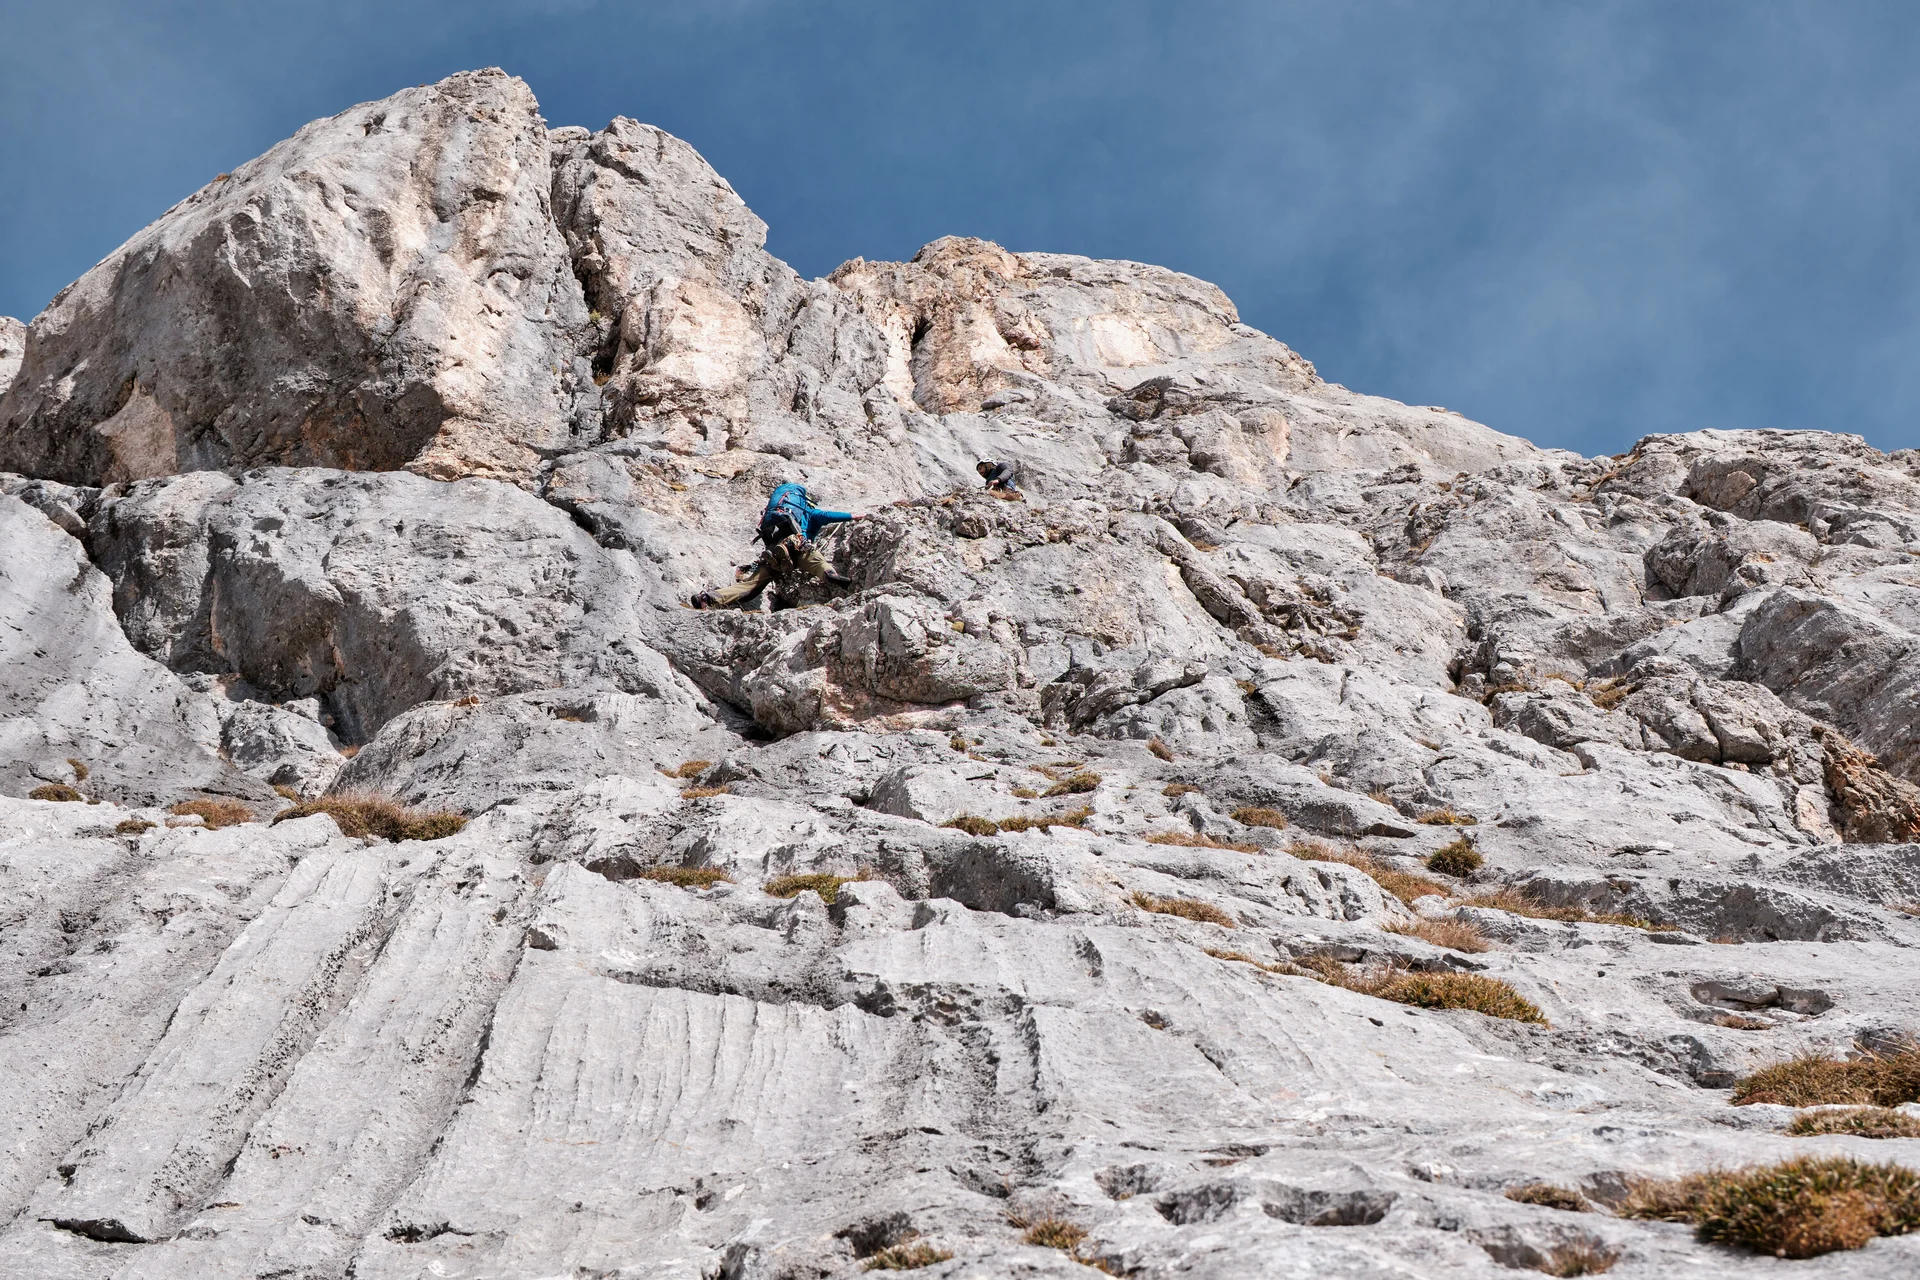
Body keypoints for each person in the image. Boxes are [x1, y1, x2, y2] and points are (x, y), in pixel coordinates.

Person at [691, 483, 862, 609]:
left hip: (774, 551)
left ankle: (707, 598)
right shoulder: (811, 512)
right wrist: (854, 516)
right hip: (800, 547)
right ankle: (833, 576)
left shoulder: (779, 514)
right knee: (818, 564)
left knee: (750, 588)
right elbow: (827, 515)